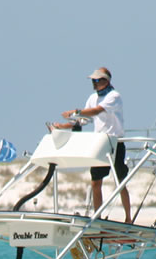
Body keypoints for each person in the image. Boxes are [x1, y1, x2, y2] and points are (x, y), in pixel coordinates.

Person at [53, 67, 131, 221]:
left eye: (97, 80)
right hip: (99, 144)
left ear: (106, 81)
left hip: (115, 143)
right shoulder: (92, 97)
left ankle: (128, 218)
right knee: (96, 182)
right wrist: (63, 126)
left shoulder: (114, 96)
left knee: (120, 182)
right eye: (93, 81)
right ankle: (98, 218)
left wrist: (76, 112)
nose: (94, 83)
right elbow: (83, 121)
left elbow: (96, 111)